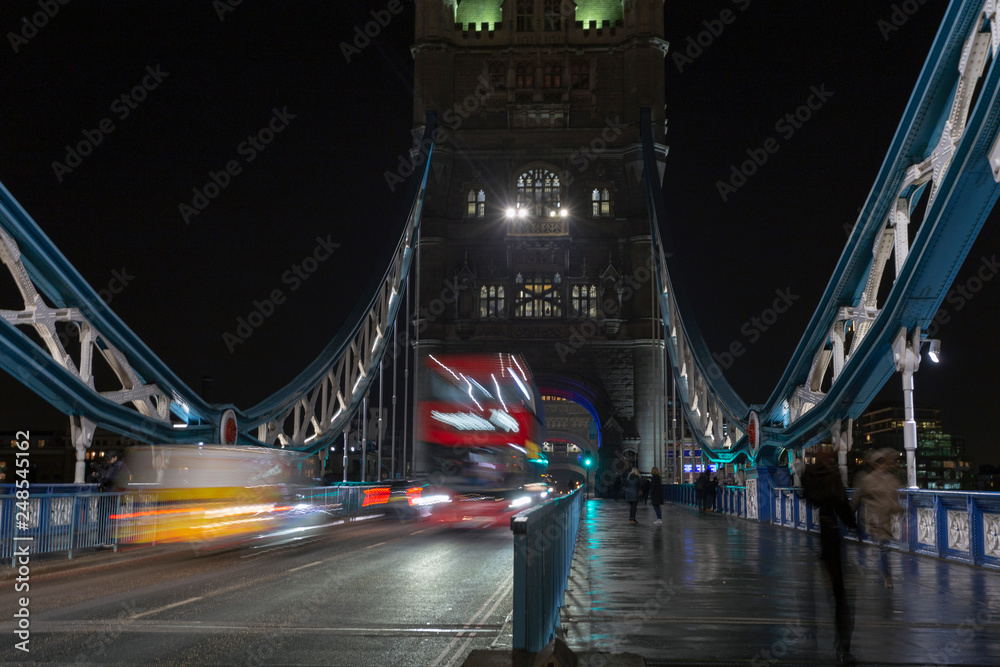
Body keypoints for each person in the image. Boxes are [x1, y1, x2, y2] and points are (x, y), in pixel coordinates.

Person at [801, 450, 858, 665]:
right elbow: (841, 505)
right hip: (832, 535)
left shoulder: (813, 475)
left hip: (827, 534)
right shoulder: (830, 477)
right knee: (840, 595)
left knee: (833, 593)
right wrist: (853, 525)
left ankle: (837, 643)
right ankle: (843, 647)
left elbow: (810, 499)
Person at [852, 448, 902, 588]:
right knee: (883, 547)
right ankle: (886, 575)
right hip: (877, 519)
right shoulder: (888, 480)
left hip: (882, 518)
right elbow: (858, 498)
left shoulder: (870, 479)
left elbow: (857, 498)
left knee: (882, 546)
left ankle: (884, 573)